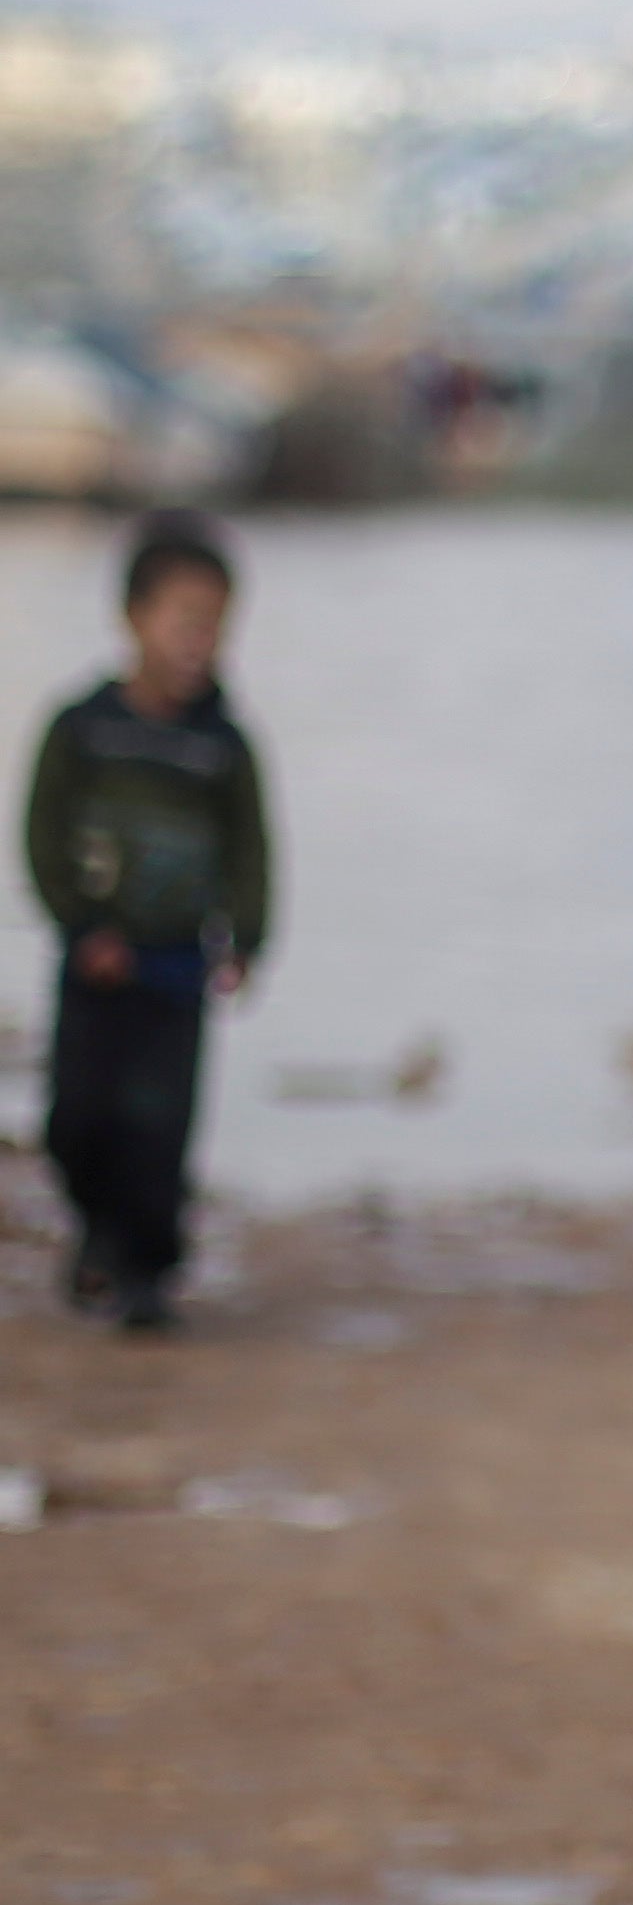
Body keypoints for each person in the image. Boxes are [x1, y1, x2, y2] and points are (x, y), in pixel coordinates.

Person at [24, 510, 274, 1334]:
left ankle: (148, 1273)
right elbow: (41, 834)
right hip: (95, 960)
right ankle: (98, 1234)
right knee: (77, 1121)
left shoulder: (224, 747)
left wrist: (247, 937)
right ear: (134, 617)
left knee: (159, 1131)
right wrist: (79, 922)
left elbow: (252, 850)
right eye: (186, 620)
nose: (201, 640)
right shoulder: (82, 729)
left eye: (216, 624)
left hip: (176, 968)